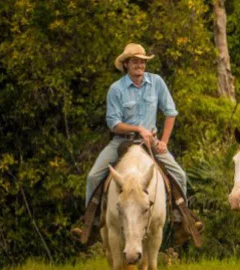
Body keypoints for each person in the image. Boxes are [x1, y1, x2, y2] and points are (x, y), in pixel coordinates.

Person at [74, 43, 201, 243]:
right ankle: (91, 224)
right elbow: (113, 123)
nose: (139, 65)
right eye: (135, 61)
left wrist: (164, 142)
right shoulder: (116, 89)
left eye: (142, 61)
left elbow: (171, 112)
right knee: (93, 176)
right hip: (121, 142)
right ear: (126, 64)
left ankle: (182, 221)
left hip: (151, 143)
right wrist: (137, 129)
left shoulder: (156, 82)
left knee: (180, 174)